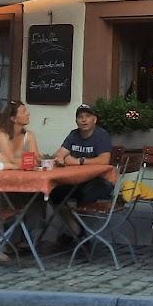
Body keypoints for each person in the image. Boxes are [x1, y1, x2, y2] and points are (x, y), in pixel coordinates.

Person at [50, 103, 113, 243]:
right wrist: (59, 159)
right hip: (77, 181)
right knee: (55, 193)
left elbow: (104, 160)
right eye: (80, 117)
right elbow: (60, 154)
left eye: (87, 116)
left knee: (86, 194)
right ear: (76, 121)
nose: (84, 120)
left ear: (94, 119)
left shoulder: (101, 135)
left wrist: (78, 161)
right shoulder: (74, 135)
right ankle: (76, 230)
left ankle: (84, 236)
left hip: (100, 182)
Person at [0, 99, 41, 168]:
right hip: (2, 174)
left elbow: (36, 160)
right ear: (13, 119)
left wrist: (20, 162)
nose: (28, 113)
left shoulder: (29, 135)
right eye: (24, 111)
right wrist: (28, 161)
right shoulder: (1, 135)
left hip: (22, 175)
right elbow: (8, 160)